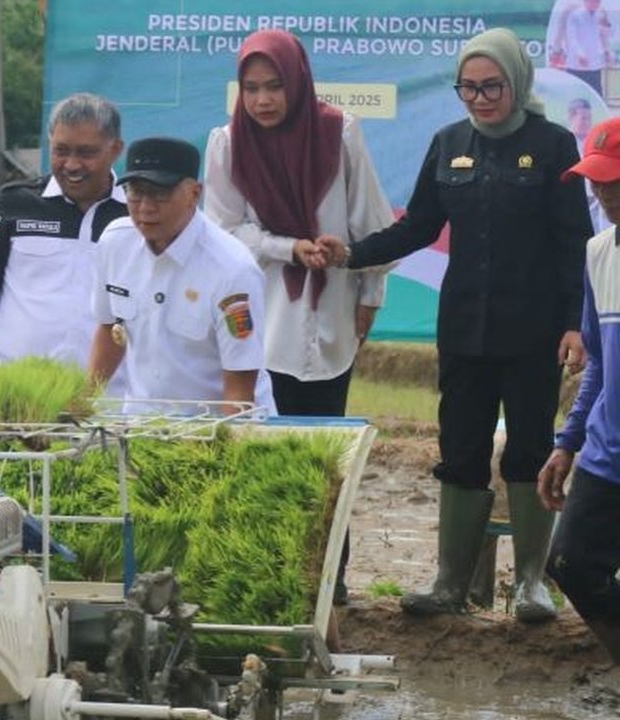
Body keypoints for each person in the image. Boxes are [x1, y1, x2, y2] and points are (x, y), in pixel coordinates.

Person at [320, 29, 592, 622]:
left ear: (516, 82)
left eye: (490, 85)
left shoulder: (553, 145)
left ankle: (529, 586)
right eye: (467, 87)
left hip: (534, 332)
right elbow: (416, 226)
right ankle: (449, 585)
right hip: (466, 328)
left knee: (529, 449)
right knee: (460, 448)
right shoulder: (448, 143)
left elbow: (576, 244)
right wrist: (350, 253)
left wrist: (575, 324)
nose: (478, 97)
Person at [202, 29, 396, 606]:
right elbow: (222, 228)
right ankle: (275, 579)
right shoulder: (228, 143)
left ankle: (330, 583)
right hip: (258, 325)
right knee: (264, 455)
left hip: (330, 319)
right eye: (252, 88)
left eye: (275, 87)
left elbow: (372, 227)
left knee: (326, 456)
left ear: (299, 82)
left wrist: (369, 293)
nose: (262, 101)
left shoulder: (339, 134)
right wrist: (289, 247)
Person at [0, 93, 128, 402]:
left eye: (86, 153)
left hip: (106, 403)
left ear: (115, 149)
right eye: (61, 151)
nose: (72, 165)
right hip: (6, 397)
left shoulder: (135, 215)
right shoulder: (13, 204)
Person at [87, 137, 275, 414]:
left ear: (194, 194)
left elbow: (239, 395)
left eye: (160, 193)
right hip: (142, 428)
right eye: (136, 192)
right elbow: (108, 330)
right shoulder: (115, 243)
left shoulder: (232, 270)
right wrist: (80, 404)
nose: (146, 207)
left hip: (214, 430)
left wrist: (217, 453)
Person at [540, 115, 620, 663]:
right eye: (597, 180)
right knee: (569, 564)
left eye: (614, 180)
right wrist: (567, 443)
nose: (604, 191)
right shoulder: (600, 253)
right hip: (606, 453)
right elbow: (596, 362)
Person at [568, 98, 612, 234]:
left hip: (594, 198)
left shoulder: (595, 143)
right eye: (583, 118)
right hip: (572, 198)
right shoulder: (562, 144)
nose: (588, 122)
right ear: (572, 117)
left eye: (589, 118)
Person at [551, 0, 612, 94]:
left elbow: (604, 36)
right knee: (575, 95)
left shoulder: (600, 14)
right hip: (576, 65)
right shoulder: (573, 13)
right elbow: (570, 37)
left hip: (594, 65)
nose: (596, 3)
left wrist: (607, 51)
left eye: (598, 1)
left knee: (596, 95)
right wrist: (579, 54)